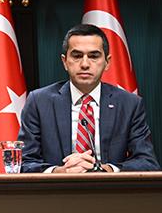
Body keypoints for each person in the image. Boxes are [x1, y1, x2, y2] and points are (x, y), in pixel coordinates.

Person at [18, 24, 159, 173]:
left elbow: (147, 162)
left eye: (93, 56)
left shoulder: (129, 104)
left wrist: (106, 170)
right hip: (57, 187)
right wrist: (60, 172)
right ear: (65, 62)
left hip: (110, 187)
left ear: (107, 62)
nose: (85, 64)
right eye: (77, 56)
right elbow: (24, 163)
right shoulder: (39, 102)